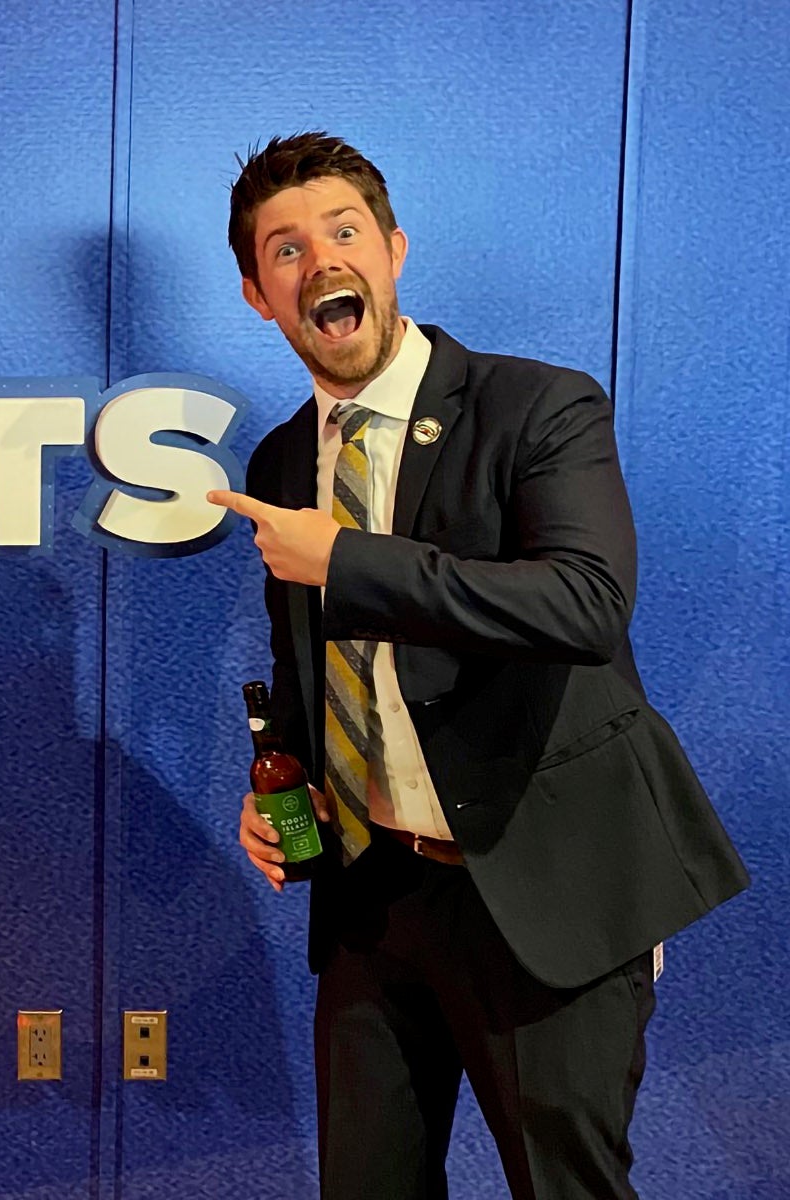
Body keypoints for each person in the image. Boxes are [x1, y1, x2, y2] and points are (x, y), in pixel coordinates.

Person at [205, 132, 749, 1200]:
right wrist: (284, 795)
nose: (318, 260)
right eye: (284, 249)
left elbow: (584, 604)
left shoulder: (536, 408)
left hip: (541, 887)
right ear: (256, 296)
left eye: (343, 230)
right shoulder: (279, 463)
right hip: (372, 900)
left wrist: (348, 560)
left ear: (393, 249)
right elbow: (317, 677)